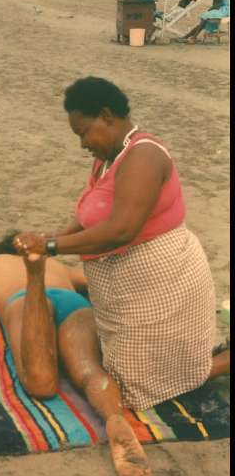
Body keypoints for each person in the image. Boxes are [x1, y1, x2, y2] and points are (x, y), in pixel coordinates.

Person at [14, 77, 230, 413]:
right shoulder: (107, 158)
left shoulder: (144, 155)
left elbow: (121, 230)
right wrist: (46, 239)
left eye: (84, 132)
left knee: (130, 392)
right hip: (128, 294)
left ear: (107, 115)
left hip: (164, 285)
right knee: (132, 375)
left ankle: (224, 360)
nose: (83, 144)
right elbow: (88, 217)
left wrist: (52, 246)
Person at [0, 232, 152, 476]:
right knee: (90, 370)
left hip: (25, 300)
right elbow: (97, 280)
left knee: (41, 384)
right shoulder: (60, 267)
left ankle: (34, 276)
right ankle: (115, 418)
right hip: (73, 302)